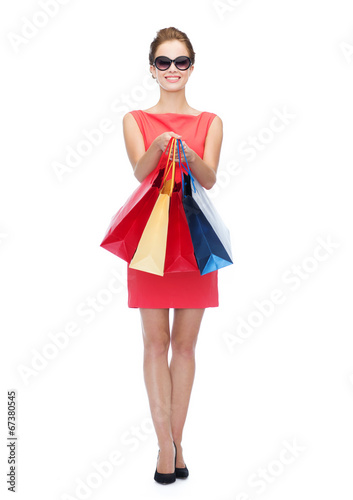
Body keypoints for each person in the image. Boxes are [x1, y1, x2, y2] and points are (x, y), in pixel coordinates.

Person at [122, 26, 223, 485]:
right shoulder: (136, 120)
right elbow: (141, 173)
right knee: (154, 344)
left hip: (195, 242)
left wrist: (187, 156)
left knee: (184, 346)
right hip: (149, 242)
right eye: (163, 62)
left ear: (192, 67)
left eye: (181, 62)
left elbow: (209, 178)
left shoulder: (209, 122)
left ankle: (177, 442)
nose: (172, 70)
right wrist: (161, 146)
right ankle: (165, 445)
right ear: (151, 69)